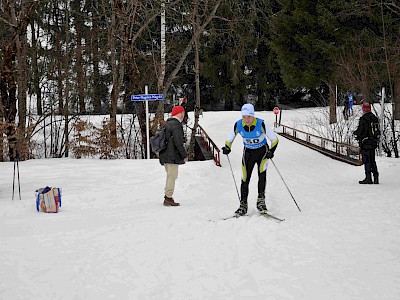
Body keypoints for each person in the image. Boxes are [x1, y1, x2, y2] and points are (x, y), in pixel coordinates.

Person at [221, 103, 279, 216]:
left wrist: (271, 151)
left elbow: (274, 139)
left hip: (262, 152)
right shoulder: (238, 125)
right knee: (245, 178)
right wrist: (227, 148)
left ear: (253, 115)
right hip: (248, 153)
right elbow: (229, 139)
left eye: (249, 117)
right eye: (244, 117)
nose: (246, 120)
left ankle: (261, 201)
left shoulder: (261, 123)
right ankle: (243, 205)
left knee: (262, 175)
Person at [159, 106, 188, 206]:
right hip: (172, 156)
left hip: (165, 155)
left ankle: (167, 196)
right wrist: (184, 155)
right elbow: (178, 142)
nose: (183, 115)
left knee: (170, 176)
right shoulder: (176, 125)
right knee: (172, 176)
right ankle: (168, 198)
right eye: (183, 113)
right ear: (179, 113)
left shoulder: (167, 123)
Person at [353, 102, 379, 184]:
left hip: (365, 142)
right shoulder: (374, 118)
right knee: (372, 160)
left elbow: (361, 131)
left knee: (367, 160)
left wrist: (355, 133)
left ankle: (368, 178)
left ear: (364, 109)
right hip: (373, 142)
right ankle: (376, 177)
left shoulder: (363, 119)